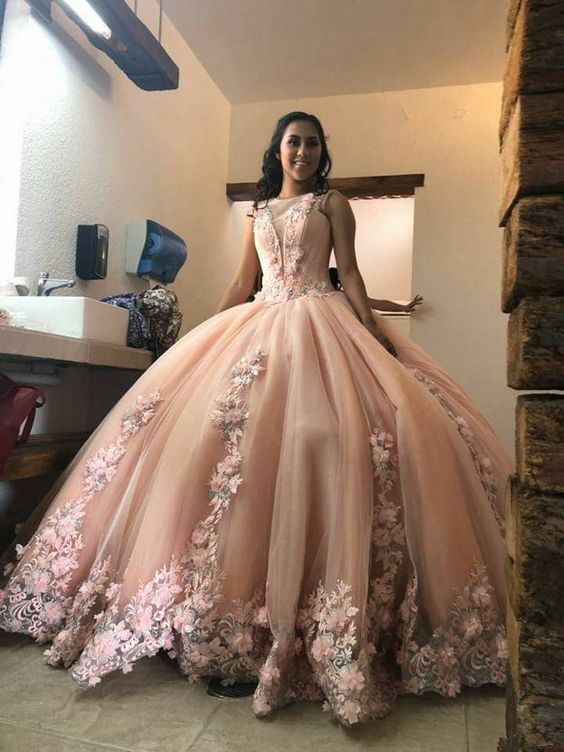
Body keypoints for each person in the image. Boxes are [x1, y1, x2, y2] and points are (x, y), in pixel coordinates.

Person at [0, 111, 511, 727]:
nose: (303, 151)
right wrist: (197, 342)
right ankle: (216, 606)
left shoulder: (332, 204)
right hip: (259, 323)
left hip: (323, 323)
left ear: (321, 153)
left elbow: (349, 274)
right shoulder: (258, 211)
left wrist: (375, 332)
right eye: (294, 142)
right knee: (225, 447)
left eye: (312, 143)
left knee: (333, 434)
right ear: (278, 150)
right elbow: (243, 281)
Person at [328, 267, 424, 314]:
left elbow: (378, 304)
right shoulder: (347, 296)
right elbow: (377, 304)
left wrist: (403, 308)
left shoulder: (346, 296)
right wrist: (403, 308)